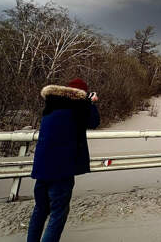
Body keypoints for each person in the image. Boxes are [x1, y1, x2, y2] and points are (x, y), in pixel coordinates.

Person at [27, 78, 100, 242]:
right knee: (58, 215)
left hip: (41, 168)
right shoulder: (78, 106)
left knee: (40, 210)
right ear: (81, 94)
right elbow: (94, 122)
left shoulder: (51, 104)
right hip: (62, 170)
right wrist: (91, 102)